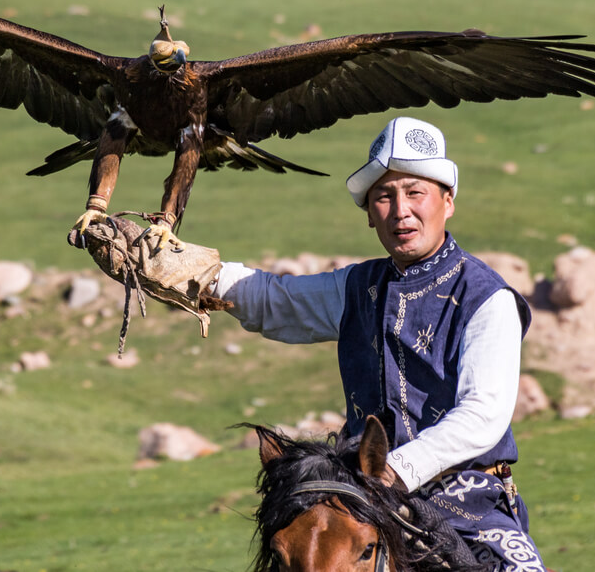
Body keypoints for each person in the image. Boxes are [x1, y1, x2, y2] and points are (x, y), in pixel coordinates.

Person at [211, 116, 546, 571]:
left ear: (447, 202)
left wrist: (397, 470)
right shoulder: (355, 286)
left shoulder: (487, 297)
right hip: (361, 496)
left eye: (414, 193)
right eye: (384, 197)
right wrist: (192, 272)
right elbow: (276, 302)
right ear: (369, 214)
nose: (400, 210)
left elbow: (483, 414)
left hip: (468, 500)